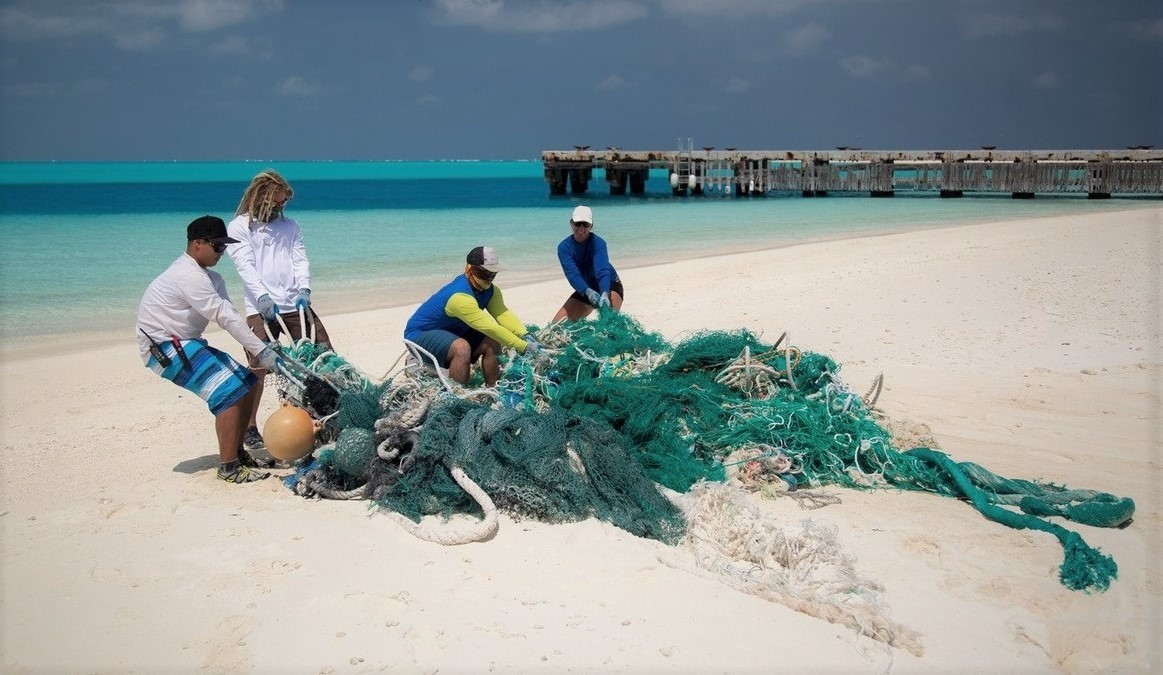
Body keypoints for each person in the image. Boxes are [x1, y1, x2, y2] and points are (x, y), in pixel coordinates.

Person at [136, 215, 283, 484]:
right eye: (217, 247)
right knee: (227, 390)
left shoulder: (212, 278)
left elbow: (231, 314)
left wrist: (262, 347)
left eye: (224, 248)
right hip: (164, 348)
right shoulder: (187, 275)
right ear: (197, 244)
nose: (221, 253)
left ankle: (238, 454)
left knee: (248, 382)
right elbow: (221, 317)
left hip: (186, 342)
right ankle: (228, 467)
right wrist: (262, 352)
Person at [225, 169, 331, 454]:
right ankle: (250, 428)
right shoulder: (239, 227)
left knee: (323, 354)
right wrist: (261, 298)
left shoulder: (291, 226)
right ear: (261, 198)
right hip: (260, 307)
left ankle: (320, 418)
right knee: (258, 367)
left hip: (294, 304)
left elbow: (299, 259)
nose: (280, 208)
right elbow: (245, 265)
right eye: (276, 203)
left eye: (284, 203)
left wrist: (304, 290)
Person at [404, 246, 539, 387]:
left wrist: (525, 334)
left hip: (455, 331)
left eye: (493, 273)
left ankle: (494, 389)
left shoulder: (492, 291)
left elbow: (502, 314)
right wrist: (523, 346)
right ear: (469, 269)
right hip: (418, 336)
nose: (489, 277)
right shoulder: (460, 296)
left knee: (492, 342)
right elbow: (490, 327)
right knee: (462, 348)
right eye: (484, 272)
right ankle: (455, 397)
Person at [551, 205, 624, 323]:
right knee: (556, 326)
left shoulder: (598, 243)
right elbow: (572, 274)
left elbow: (602, 271)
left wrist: (605, 293)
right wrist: (587, 291)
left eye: (585, 224)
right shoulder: (563, 247)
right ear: (571, 223)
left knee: (609, 324)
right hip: (585, 288)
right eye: (577, 223)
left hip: (609, 284)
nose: (581, 228)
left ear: (591, 226)